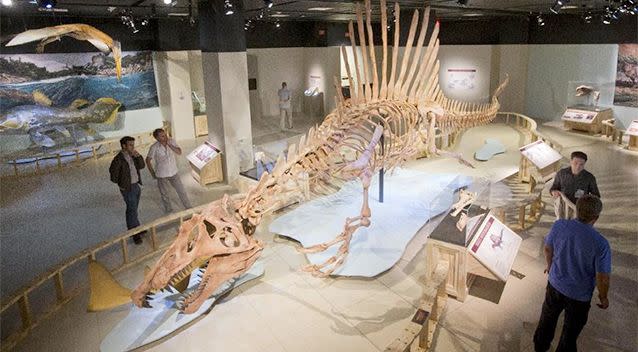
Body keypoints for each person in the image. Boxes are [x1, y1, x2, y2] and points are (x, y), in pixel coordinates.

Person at [533, 194, 611, 352]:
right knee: (570, 331)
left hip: (555, 284)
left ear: (576, 210)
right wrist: (603, 296)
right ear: (595, 218)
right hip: (579, 296)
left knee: (547, 319)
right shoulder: (601, 244)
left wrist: (550, 266)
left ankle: (540, 347)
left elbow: (548, 249)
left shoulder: (560, 225)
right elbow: (602, 277)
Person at [146, 128, 192, 214]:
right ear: (157, 138)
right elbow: (148, 160)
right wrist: (152, 173)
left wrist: (170, 145)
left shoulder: (171, 141)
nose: (165, 137)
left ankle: (188, 207)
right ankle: (169, 210)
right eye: (162, 136)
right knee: (164, 193)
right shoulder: (154, 147)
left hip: (174, 172)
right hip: (161, 174)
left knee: (181, 190)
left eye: (165, 134)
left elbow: (179, 152)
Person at [109, 136, 146, 244]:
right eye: (130, 145)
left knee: (133, 210)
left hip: (136, 186)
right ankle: (134, 234)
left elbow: (142, 166)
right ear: (124, 146)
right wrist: (123, 184)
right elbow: (113, 176)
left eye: (133, 145)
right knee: (131, 210)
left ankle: (137, 228)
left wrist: (138, 156)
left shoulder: (133, 156)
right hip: (127, 188)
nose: (132, 147)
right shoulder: (118, 159)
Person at [550, 151, 600, 219]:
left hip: (580, 210)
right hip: (563, 209)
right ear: (570, 161)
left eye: (581, 164)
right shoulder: (561, 173)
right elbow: (554, 187)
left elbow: (596, 195)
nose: (578, 167)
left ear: (584, 164)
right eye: (575, 163)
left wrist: (587, 204)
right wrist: (553, 192)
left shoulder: (589, 177)